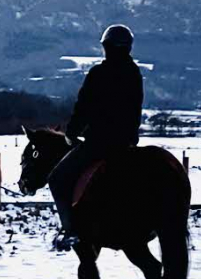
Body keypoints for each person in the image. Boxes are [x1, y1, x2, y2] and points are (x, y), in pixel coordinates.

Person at [49, 23, 143, 249]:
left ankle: (69, 229)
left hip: (99, 144)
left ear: (107, 47)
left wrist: (72, 133)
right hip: (126, 144)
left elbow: (84, 108)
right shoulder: (134, 73)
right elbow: (136, 109)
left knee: (57, 179)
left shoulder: (99, 73)